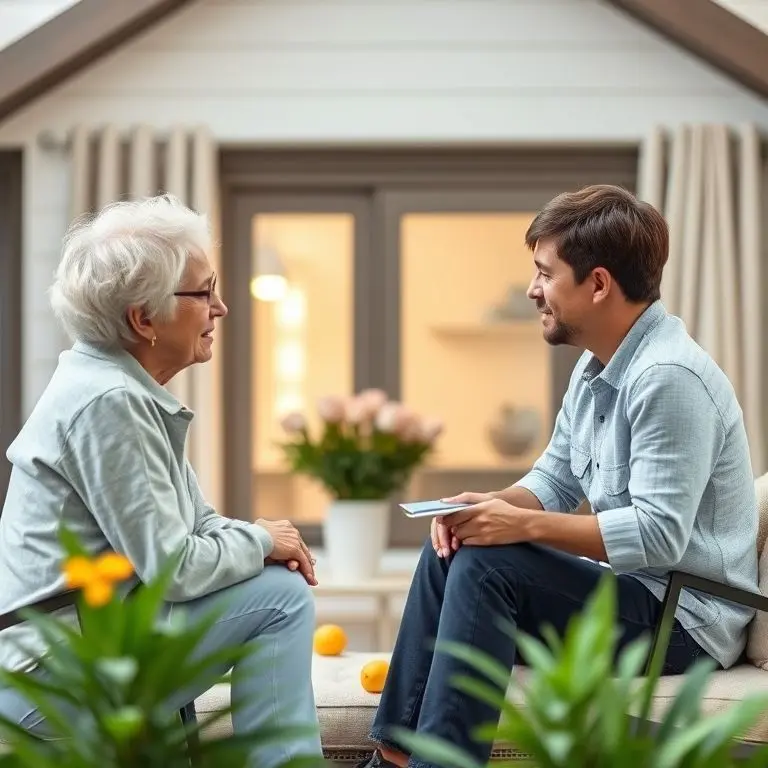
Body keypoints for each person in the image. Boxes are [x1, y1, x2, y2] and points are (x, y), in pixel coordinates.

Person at [360, 185, 759, 768]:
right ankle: (395, 757)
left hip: (683, 621)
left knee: (489, 562)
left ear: (598, 284)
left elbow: (658, 536)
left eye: (545, 273)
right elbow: (554, 477)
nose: (532, 290)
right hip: (633, 597)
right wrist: (488, 508)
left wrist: (517, 526)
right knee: (455, 548)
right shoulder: (595, 368)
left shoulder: (668, 378)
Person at [0, 195, 323, 768]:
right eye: (203, 292)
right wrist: (265, 543)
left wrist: (265, 545)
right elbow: (175, 567)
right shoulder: (108, 404)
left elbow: (196, 523)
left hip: (80, 649)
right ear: (143, 319)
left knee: (272, 582)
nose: (220, 307)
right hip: (48, 680)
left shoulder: (122, 390)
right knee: (281, 600)